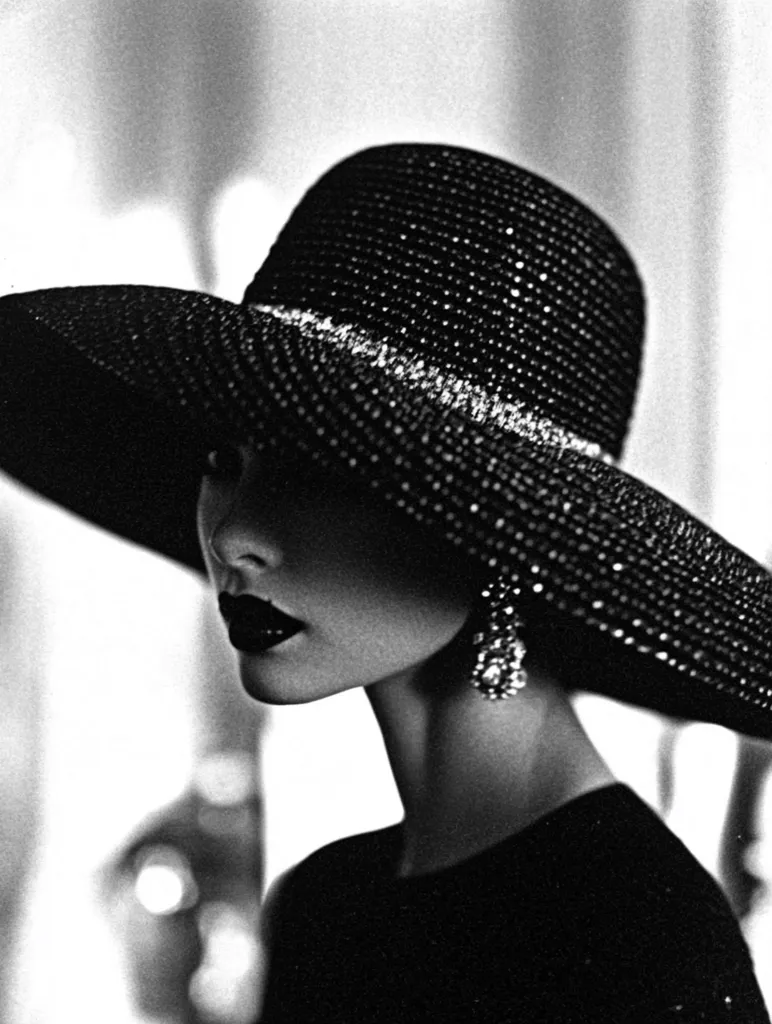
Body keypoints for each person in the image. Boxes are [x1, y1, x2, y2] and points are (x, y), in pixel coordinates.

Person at [0, 143, 770, 1022]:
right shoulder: (329, 907)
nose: (236, 535)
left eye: (324, 470)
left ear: (500, 529)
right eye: (226, 458)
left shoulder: (638, 942)